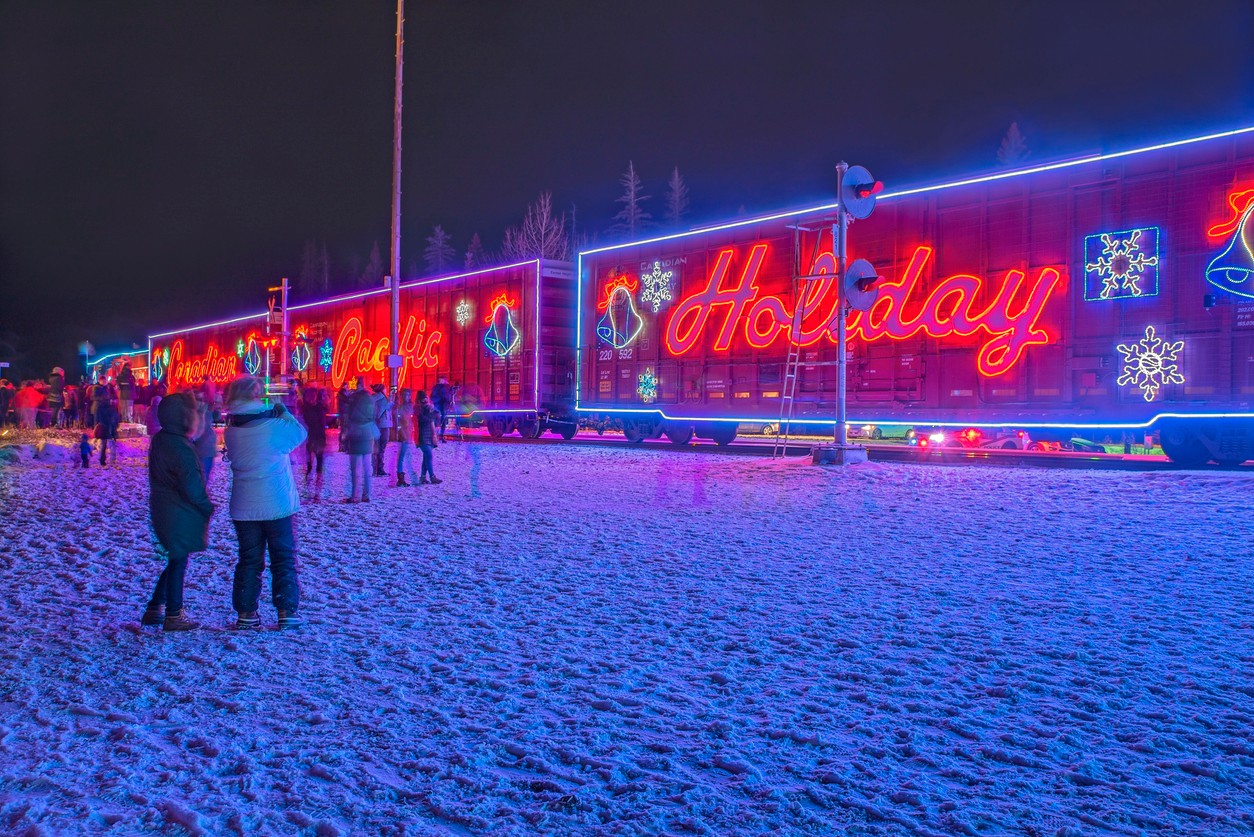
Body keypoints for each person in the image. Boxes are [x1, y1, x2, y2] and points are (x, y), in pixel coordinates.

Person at [223, 375, 307, 630]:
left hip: (243, 505)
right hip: (277, 502)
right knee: (283, 557)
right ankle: (286, 610)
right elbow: (299, 433)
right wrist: (283, 412)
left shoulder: (232, 430)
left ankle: (246, 613)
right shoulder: (272, 426)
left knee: (249, 559)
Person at [142, 392, 215, 631]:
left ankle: (155, 607)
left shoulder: (164, 439)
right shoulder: (180, 448)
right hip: (178, 511)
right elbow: (192, 485)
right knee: (178, 561)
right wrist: (206, 506)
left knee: (176, 558)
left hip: (166, 509)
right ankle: (174, 613)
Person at [342, 378, 379, 502]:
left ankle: (355, 495)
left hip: (356, 433)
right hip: (368, 433)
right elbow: (375, 415)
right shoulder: (370, 399)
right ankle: (367, 494)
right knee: (367, 467)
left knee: (355, 468)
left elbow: (348, 415)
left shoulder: (354, 399)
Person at [299, 385, 328, 490]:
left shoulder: (306, 408)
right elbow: (322, 422)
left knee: (310, 461)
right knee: (318, 460)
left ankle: (310, 480)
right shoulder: (318, 408)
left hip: (311, 435)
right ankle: (316, 483)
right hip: (317, 435)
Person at [415, 390, 442, 485]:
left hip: (430, 435)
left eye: (426, 398)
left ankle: (422, 477)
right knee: (429, 456)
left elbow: (438, 416)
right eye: (423, 398)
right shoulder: (418, 409)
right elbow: (425, 420)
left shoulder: (430, 408)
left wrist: (433, 411)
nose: (425, 400)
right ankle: (432, 477)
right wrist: (432, 414)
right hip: (422, 435)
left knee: (426, 457)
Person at [191, 392, 217, 485]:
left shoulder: (190, 411)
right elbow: (217, 417)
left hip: (196, 447)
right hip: (207, 447)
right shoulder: (206, 410)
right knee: (203, 477)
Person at [393, 388, 418, 487]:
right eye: (405, 395)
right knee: (401, 457)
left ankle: (401, 477)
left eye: (408, 395)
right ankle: (400, 478)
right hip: (404, 435)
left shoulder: (405, 407)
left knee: (403, 457)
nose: (407, 397)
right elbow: (400, 421)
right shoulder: (403, 408)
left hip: (406, 434)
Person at [372, 383, 393, 477]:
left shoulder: (372, 398)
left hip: (374, 425)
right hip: (383, 425)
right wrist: (391, 403)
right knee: (382, 447)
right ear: (382, 390)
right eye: (385, 388)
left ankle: (374, 468)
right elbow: (383, 411)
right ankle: (380, 469)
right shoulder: (382, 399)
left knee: (376, 447)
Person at [94, 396, 120, 466]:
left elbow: (97, 418)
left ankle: (102, 460)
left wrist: (96, 425)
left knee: (103, 445)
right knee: (112, 445)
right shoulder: (112, 408)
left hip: (103, 428)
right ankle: (112, 460)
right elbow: (116, 417)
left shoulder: (99, 408)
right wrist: (116, 425)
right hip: (111, 428)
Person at [430, 376, 453, 443]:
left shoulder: (436, 387)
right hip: (442, 407)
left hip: (437, 406)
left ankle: (435, 436)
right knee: (442, 421)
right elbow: (447, 397)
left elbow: (433, 397)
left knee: (435, 422)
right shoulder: (444, 387)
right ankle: (440, 435)